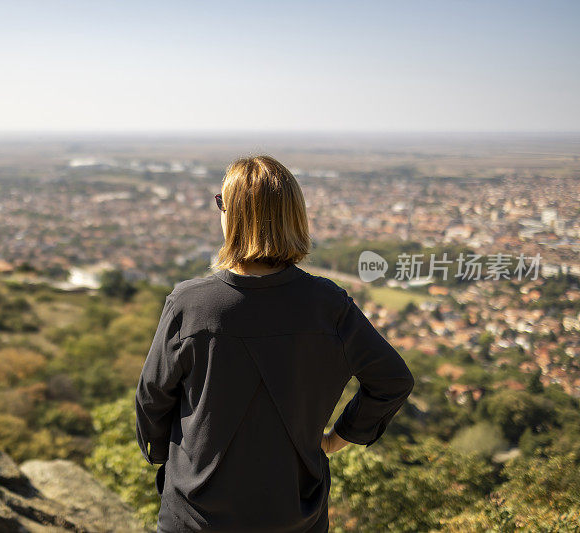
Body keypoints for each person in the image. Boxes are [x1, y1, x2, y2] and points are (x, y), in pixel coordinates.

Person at [135, 155, 415, 532]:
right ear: (292, 216)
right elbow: (392, 380)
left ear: (233, 216)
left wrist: (163, 456)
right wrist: (337, 439)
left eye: (222, 201)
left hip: (195, 512)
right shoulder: (328, 305)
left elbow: (152, 400)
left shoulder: (191, 304)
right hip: (294, 513)